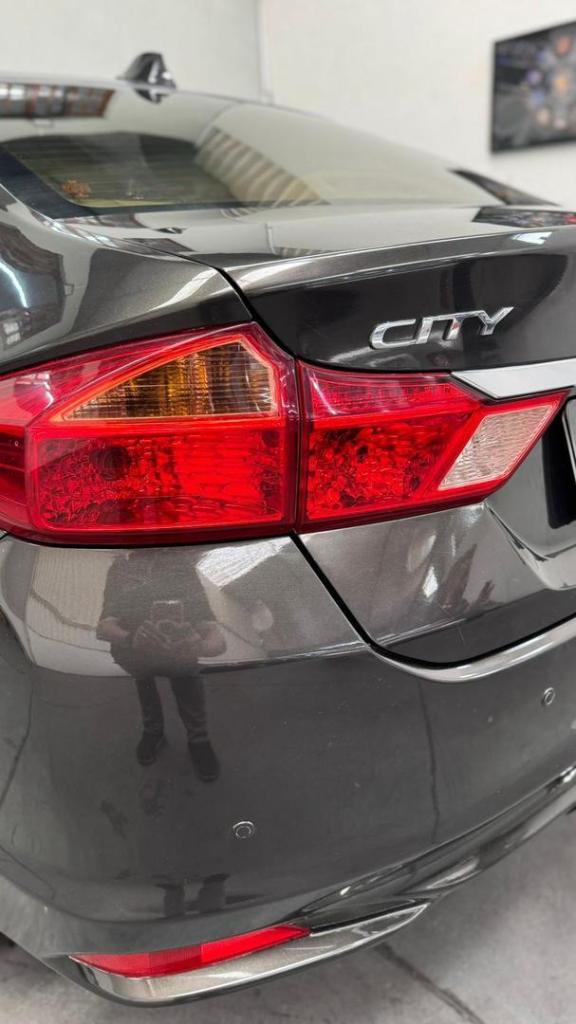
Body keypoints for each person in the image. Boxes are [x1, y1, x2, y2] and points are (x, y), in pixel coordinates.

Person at [97, 549, 225, 779]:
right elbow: (103, 626)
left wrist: (196, 646)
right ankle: (154, 731)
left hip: (178, 652)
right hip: (137, 652)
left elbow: (214, 633)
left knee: (187, 682)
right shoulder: (121, 568)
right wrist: (131, 639)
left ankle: (198, 738)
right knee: (146, 686)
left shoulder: (182, 568)